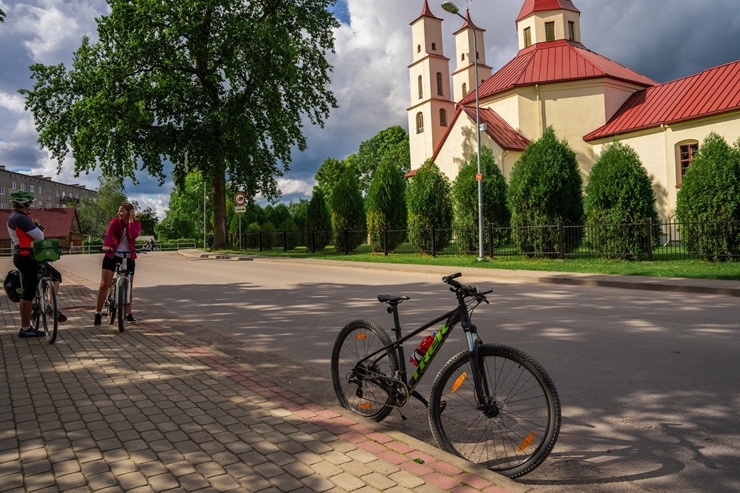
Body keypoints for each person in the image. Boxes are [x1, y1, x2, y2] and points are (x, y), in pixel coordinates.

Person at [6, 190, 67, 337]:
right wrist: (38, 228)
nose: (30, 206)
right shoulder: (20, 217)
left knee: (55, 276)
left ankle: (48, 304)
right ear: (24, 204)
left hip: (29, 256)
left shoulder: (16, 216)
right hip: (26, 257)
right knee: (28, 294)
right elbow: (40, 236)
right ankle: (26, 329)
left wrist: (34, 227)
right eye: (29, 203)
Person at [94, 202, 142, 325]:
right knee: (105, 284)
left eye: (122, 211)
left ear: (130, 212)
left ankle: (128, 313)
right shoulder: (115, 222)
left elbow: (133, 235)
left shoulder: (136, 223)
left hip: (128, 255)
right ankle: (98, 313)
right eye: (119, 211)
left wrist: (131, 220)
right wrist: (106, 246)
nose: (119, 213)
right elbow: (109, 235)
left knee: (128, 285)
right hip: (112, 254)